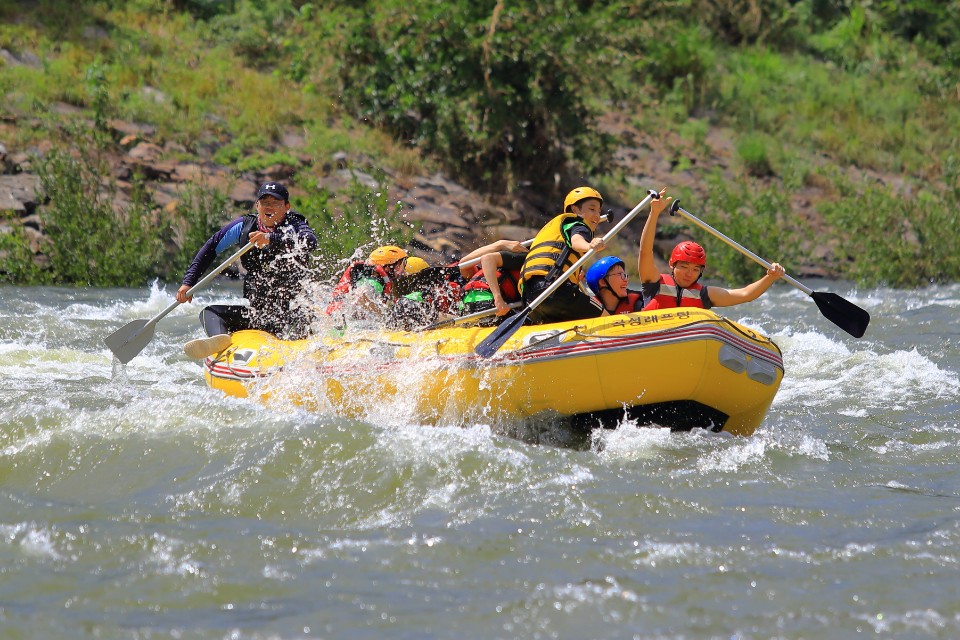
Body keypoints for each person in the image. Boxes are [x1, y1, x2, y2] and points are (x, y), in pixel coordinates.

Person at [179, 181, 318, 359]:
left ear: (287, 207)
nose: (269, 207)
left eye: (275, 203)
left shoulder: (296, 224)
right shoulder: (245, 226)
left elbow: (310, 242)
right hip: (258, 314)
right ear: (257, 205)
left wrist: (270, 238)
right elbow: (210, 248)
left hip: (291, 314)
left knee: (306, 320)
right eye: (265, 203)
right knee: (210, 312)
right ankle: (220, 342)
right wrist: (188, 282)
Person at [638, 194, 786, 310]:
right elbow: (645, 251)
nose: (689, 274)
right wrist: (654, 213)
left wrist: (770, 277)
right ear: (672, 264)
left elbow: (745, 294)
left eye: (695, 269)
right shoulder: (654, 282)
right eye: (683, 267)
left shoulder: (704, 294)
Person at [519, 186, 610, 324]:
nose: (597, 215)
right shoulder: (579, 224)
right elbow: (576, 241)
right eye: (592, 209)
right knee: (607, 318)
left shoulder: (553, 229)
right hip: (556, 290)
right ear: (575, 210)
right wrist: (589, 245)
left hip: (531, 297)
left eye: (599, 211)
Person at [324, 245, 410, 318]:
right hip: (339, 320)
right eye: (401, 265)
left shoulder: (371, 279)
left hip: (337, 317)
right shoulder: (373, 282)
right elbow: (361, 297)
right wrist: (385, 316)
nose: (404, 270)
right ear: (388, 267)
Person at [459, 249, 526, 320]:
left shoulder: (488, 269)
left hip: (465, 306)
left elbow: (463, 263)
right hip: (490, 303)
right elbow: (487, 259)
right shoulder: (524, 258)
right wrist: (498, 298)